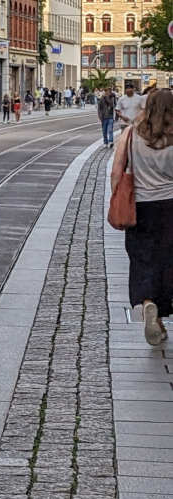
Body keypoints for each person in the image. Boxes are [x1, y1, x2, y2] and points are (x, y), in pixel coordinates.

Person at [113, 90, 173, 346]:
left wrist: (116, 198)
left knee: (142, 258)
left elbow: (117, 170)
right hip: (170, 206)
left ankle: (148, 303)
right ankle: (161, 310)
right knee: (168, 260)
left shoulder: (130, 134)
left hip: (141, 207)